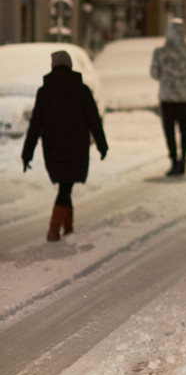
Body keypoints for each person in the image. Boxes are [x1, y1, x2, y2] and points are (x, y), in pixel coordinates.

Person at [21, 49, 108, 242]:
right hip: (77, 145)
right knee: (65, 186)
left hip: (53, 147)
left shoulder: (44, 92)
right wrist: (102, 145)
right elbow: (94, 119)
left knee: (65, 184)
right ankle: (54, 230)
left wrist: (27, 154)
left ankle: (68, 230)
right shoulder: (82, 90)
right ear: (70, 66)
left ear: (53, 67)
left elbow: (35, 125)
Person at [150, 18, 186, 176]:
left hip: (167, 98)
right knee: (185, 130)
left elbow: (154, 73)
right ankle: (183, 158)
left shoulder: (161, 52)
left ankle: (173, 160)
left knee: (169, 131)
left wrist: (167, 75)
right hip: (184, 98)